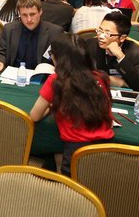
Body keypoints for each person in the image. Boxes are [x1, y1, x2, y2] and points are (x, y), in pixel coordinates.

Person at [30, 33, 113, 176]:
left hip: (76, 149)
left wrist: (51, 107)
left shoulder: (56, 80)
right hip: (106, 147)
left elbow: (34, 116)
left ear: (58, 58)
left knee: (71, 185)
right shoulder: (101, 77)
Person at [0, 0, 63, 72]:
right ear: (19, 14)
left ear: (40, 12)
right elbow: (1, 52)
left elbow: (60, 61)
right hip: (13, 74)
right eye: (24, 15)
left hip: (40, 76)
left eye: (32, 14)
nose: (29, 19)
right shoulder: (9, 29)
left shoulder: (54, 32)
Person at [85, 12, 139, 91]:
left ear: (122, 38)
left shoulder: (136, 53)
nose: (100, 36)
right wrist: (110, 80)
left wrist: (120, 56)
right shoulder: (90, 45)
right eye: (100, 31)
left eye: (108, 33)